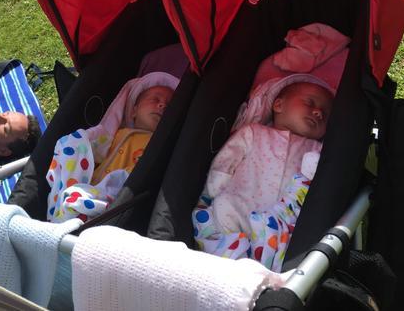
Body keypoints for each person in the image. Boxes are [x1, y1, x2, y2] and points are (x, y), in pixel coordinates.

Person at [192, 75, 333, 271]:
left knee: (284, 242)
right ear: (279, 105)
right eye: (310, 102)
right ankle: (227, 261)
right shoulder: (254, 132)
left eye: (326, 114)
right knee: (224, 209)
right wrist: (214, 189)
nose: (318, 112)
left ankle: (259, 268)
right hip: (241, 201)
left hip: (280, 222)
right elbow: (227, 160)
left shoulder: (318, 150)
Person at [46, 72, 179, 222]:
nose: (162, 105)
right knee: (72, 145)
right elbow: (93, 152)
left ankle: (73, 215)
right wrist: (80, 144)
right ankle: (67, 213)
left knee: (79, 200)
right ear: (134, 110)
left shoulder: (161, 145)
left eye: (169, 105)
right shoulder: (116, 134)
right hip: (90, 187)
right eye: (155, 99)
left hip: (122, 196)